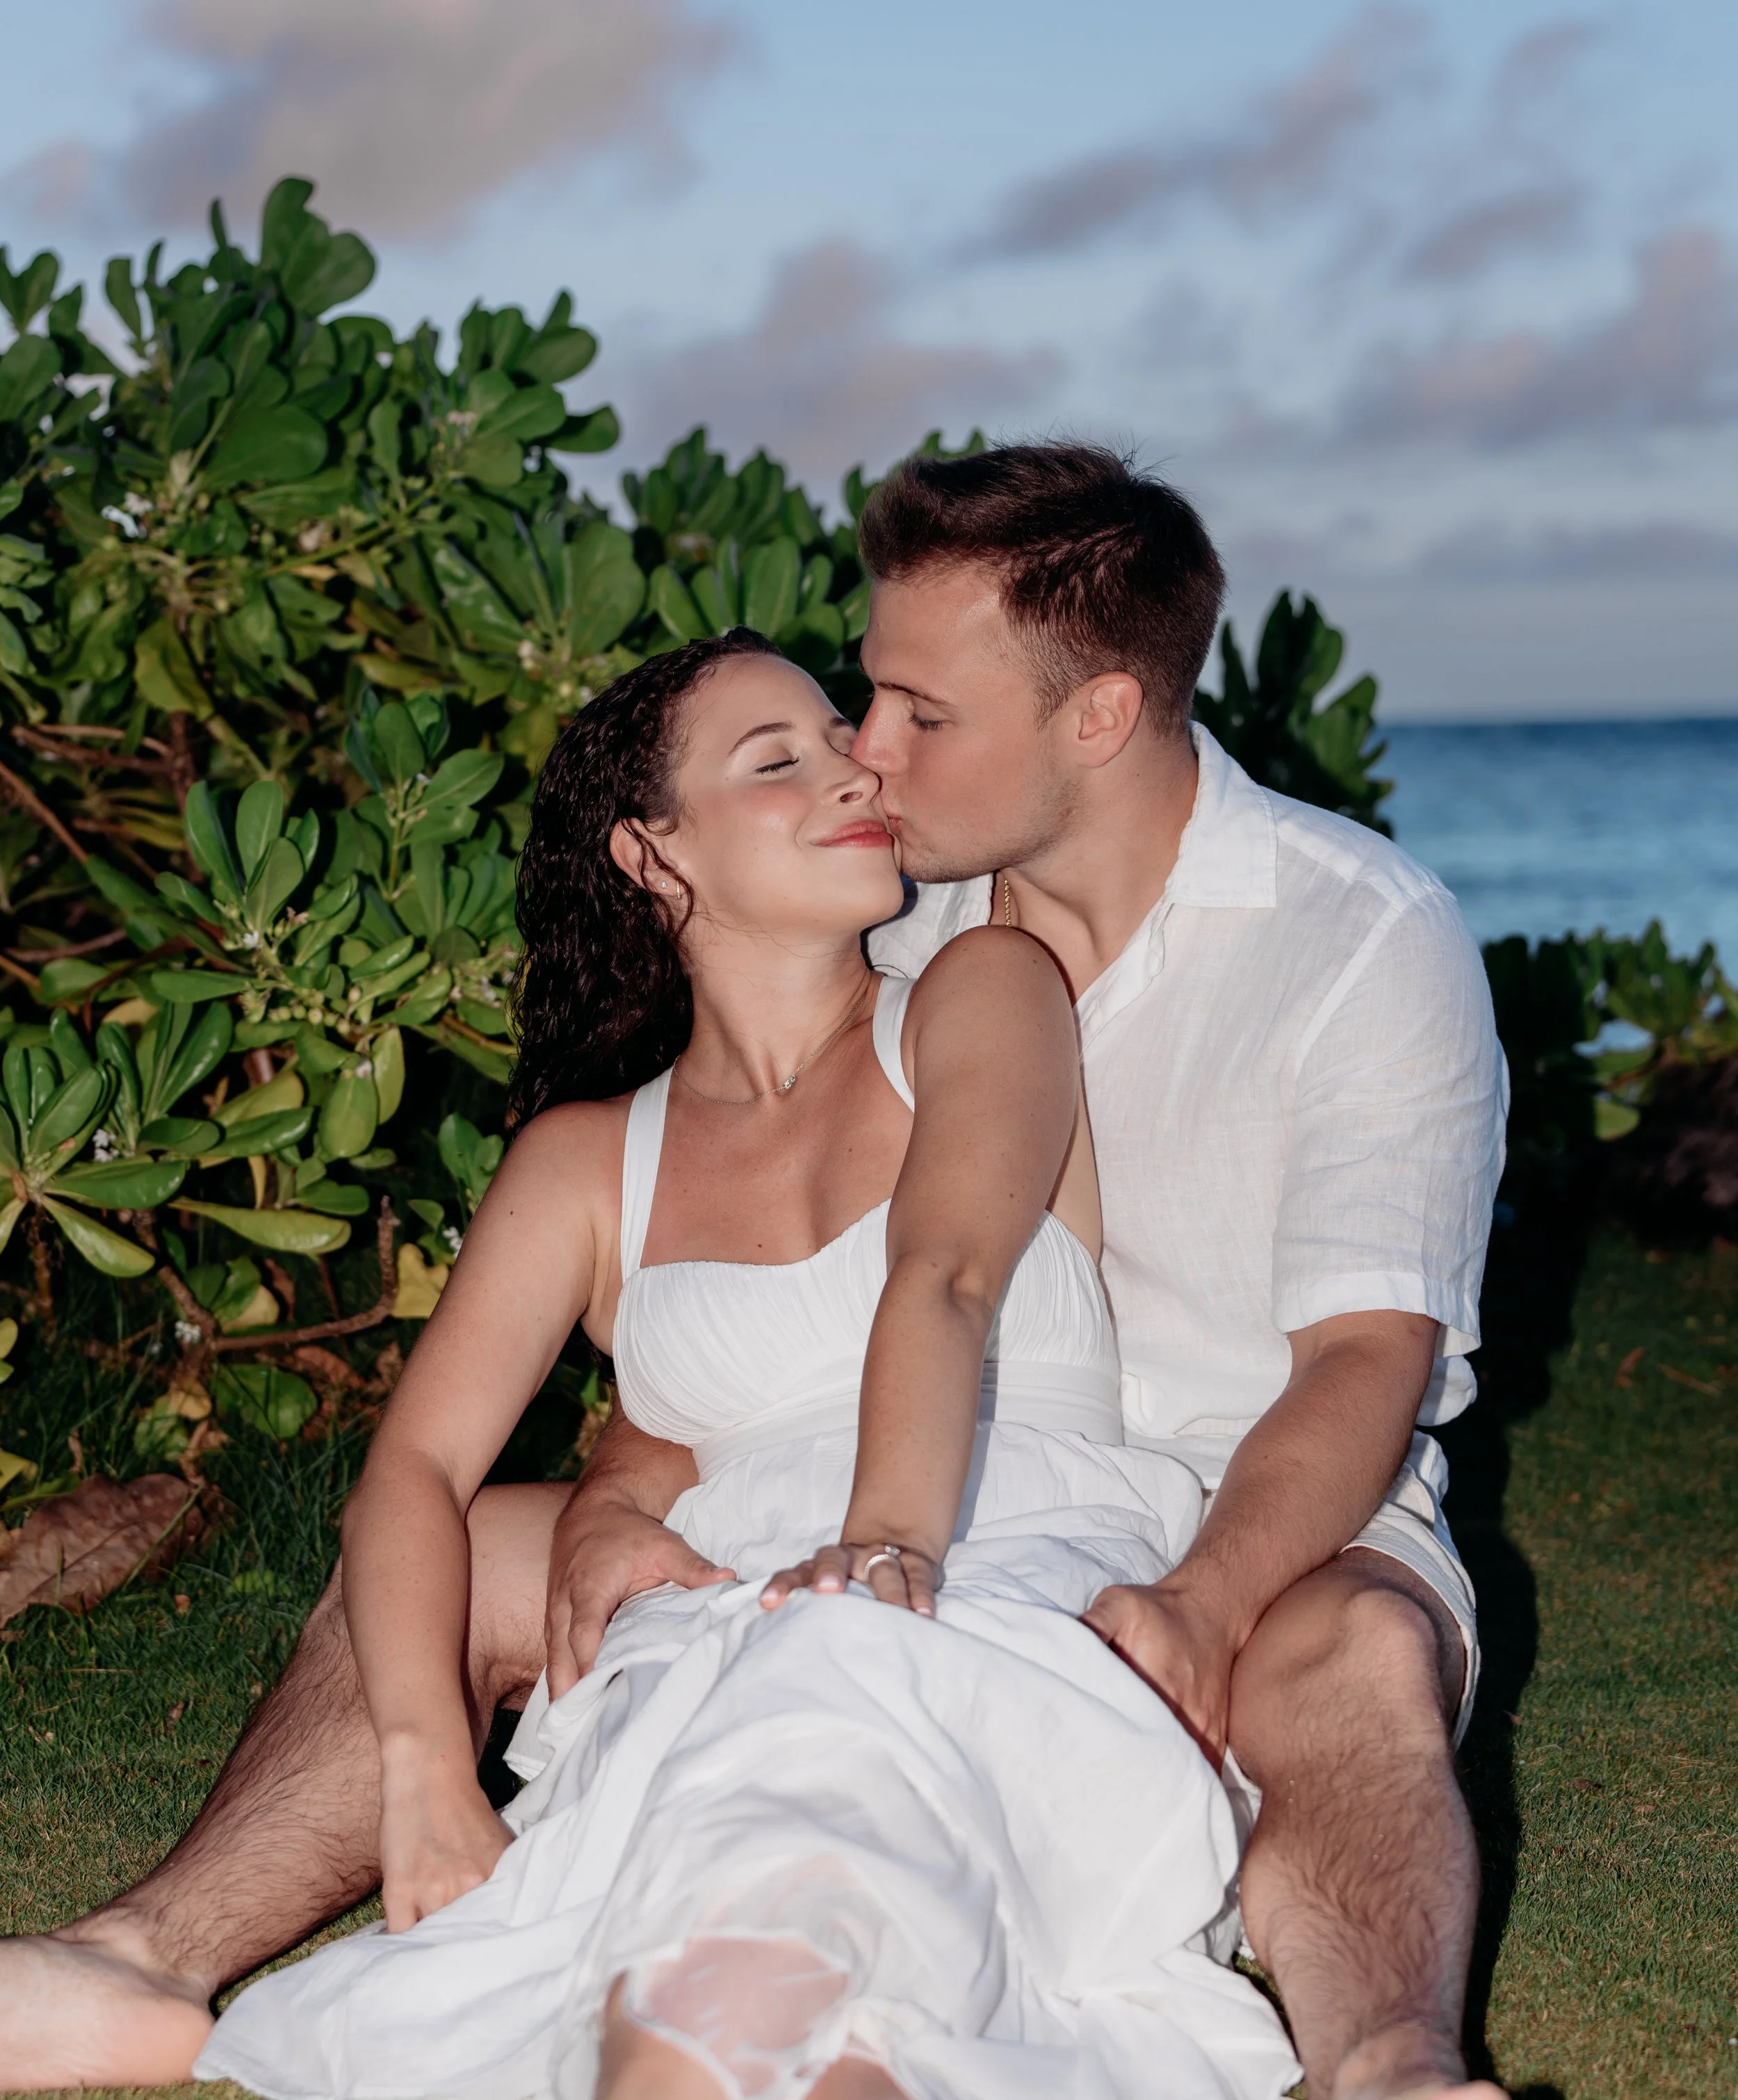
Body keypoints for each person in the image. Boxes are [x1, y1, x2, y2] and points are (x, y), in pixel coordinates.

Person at [0, 444, 1506, 2100]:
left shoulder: (1342, 937)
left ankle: (1381, 2064)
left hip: (1243, 1504)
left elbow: (1352, 1357)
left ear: (1094, 720)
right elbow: (703, 1353)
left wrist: (1187, 1601)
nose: (869, 753)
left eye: (912, 713)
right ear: (662, 856)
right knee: (484, 1553)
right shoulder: (890, 914)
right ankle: (144, 1953)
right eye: (849, 708)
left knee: (1337, 1646)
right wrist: (598, 1515)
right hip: (811, 1529)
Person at [198, 627, 1299, 2100]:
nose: (857, 768)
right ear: (653, 854)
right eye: (777, 760)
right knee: (737, 1939)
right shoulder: (588, 1162)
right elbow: (412, 1473)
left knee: (815, 1822)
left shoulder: (979, 988)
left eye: (839, 738)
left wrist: (886, 1548)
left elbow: (948, 1275)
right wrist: (424, 1775)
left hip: (996, 1552)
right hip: (719, 1612)